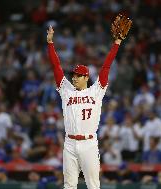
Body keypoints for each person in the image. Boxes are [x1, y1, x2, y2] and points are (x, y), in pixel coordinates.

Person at [47, 21, 124, 189]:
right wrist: (50, 44)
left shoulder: (97, 90)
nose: (74, 78)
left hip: (89, 143)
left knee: (93, 185)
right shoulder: (66, 89)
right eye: (74, 75)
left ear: (86, 77)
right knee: (69, 185)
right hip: (69, 143)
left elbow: (106, 66)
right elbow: (56, 66)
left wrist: (116, 44)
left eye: (78, 75)